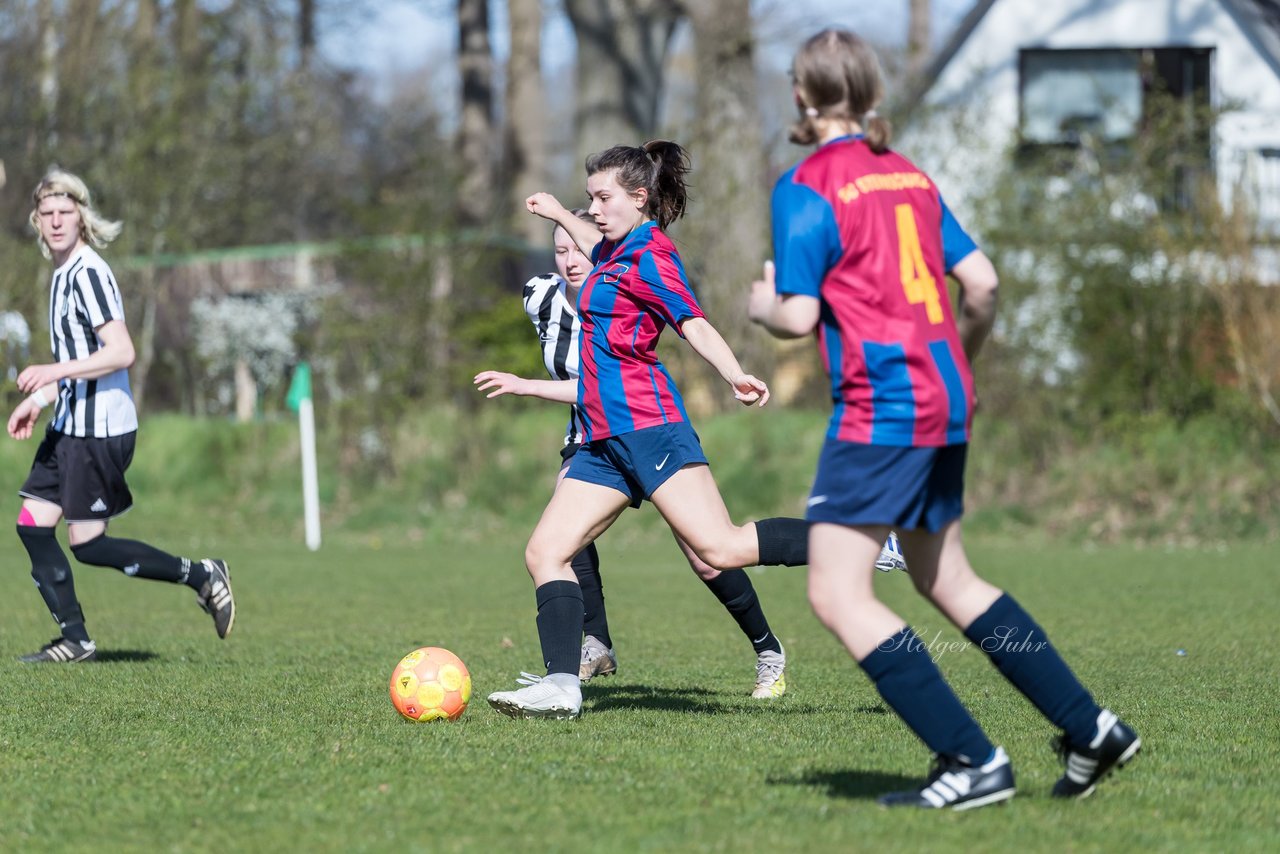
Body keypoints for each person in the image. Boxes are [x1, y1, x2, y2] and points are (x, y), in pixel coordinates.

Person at [747, 30, 1140, 809]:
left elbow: (796, 316)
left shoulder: (807, 185)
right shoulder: (911, 176)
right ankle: (1090, 727)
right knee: (945, 576)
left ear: (801, 95)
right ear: (869, 92)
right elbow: (984, 284)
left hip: (882, 405)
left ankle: (972, 761)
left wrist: (762, 309)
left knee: (837, 593)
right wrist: (959, 363)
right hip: (943, 396)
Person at [485, 140, 812, 720]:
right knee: (546, 552)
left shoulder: (652, 257)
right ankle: (563, 685)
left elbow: (694, 322)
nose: (595, 208)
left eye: (603, 197)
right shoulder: (613, 250)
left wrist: (735, 374)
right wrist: (561, 213)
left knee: (720, 548)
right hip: (602, 440)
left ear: (639, 198)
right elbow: (590, 243)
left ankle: (858, 540)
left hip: (650, 427)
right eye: (590, 197)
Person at [8, 168, 235, 663]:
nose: (56, 221)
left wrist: (50, 372)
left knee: (87, 544)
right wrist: (41, 398)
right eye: (46, 214)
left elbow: (121, 352)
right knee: (31, 523)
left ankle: (201, 575)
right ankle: (75, 639)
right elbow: (81, 357)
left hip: (99, 432)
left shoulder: (89, 272)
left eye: (65, 212)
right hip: (68, 424)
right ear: (37, 221)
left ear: (82, 216)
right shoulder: (62, 274)